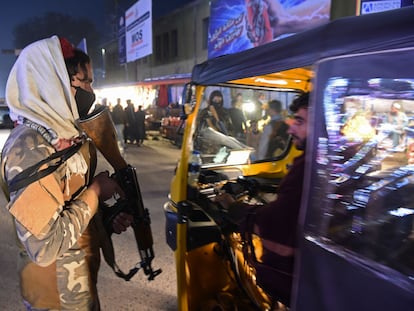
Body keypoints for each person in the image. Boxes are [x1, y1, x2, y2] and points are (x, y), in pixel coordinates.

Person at [0, 36, 133, 310]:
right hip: (55, 297)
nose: (90, 91)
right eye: (83, 82)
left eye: (91, 82)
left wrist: (107, 218)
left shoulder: (70, 136)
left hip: (81, 284)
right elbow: (44, 247)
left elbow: (70, 206)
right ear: (53, 83)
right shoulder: (28, 149)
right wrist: (96, 193)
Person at [216, 92, 309, 305]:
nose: (292, 128)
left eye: (300, 121)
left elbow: (276, 220)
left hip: (296, 280)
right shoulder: (323, 160)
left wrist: (236, 209)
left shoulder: (307, 166)